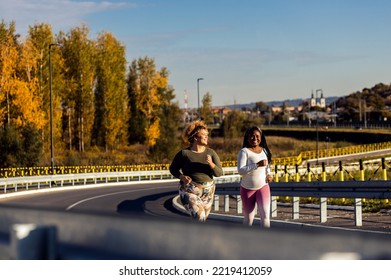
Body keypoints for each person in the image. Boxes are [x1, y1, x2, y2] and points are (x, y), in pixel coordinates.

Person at [169, 119, 223, 222]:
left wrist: (211, 164)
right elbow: (173, 169)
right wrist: (182, 177)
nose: (207, 137)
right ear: (195, 137)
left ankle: (192, 237)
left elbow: (219, 173)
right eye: (204, 135)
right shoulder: (184, 154)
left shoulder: (211, 153)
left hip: (208, 192)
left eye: (207, 135)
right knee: (200, 217)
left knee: (201, 221)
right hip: (190, 191)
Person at [237, 126, 273, 228]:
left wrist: (269, 175)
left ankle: (266, 241)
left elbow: (267, 167)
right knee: (249, 219)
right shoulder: (244, 152)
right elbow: (240, 170)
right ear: (247, 138)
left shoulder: (264, 151)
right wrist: (256, 165)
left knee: (265, 216)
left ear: (261, 138)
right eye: (252, 136)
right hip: (248, 189)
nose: (255, 138)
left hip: (263, 186)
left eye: (257, 136)